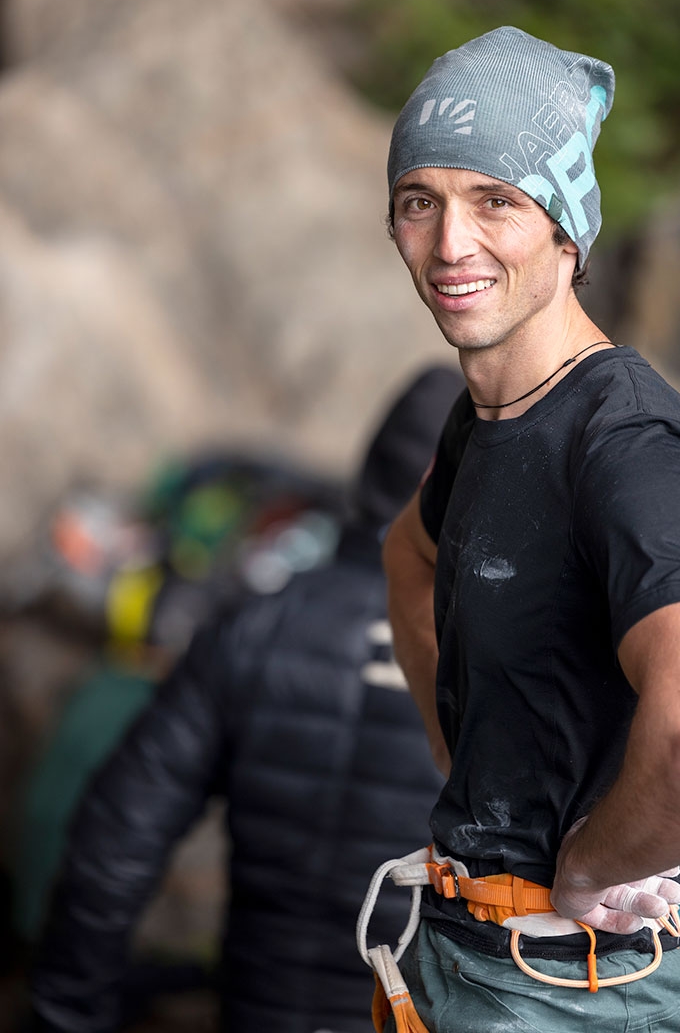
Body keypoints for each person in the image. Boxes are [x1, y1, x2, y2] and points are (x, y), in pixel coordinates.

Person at [372, 26, 680, 1032]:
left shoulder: (628, 445)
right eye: (420, 202)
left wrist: (591, 863)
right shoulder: (486, 420)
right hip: (470, 957)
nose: (450, 243)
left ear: (565, 229)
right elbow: (406, 554)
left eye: (494, 200)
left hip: (582, 986)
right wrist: (464, 764)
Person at [28, 364, 464, 1033]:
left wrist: (68, 1013)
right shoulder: (503, 665)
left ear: (368, 473)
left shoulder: (255, 628)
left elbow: (113, 840)